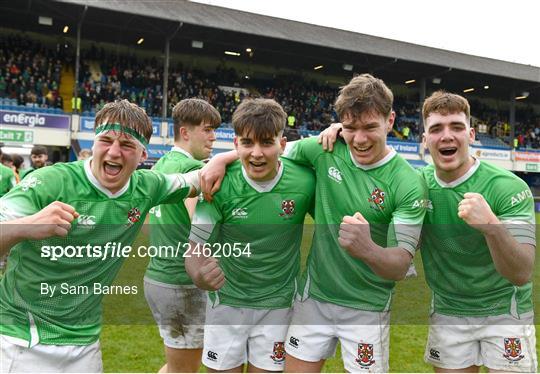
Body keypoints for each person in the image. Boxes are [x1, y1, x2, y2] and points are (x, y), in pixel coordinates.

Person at [200, 74, 427, 372]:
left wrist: (367, 248)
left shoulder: (408, 182)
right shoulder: (323, 148)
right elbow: (266, 149)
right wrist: (222, 158)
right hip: (313, 299)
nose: (359, 139)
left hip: (367, 309)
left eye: (370, 127)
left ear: (390, 120)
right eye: (350, 127)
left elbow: (399, 266)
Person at [0, 99, 201, 373]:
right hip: (23, 339)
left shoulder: (146, 186)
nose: (114, 152)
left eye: (127, 145)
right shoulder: (51, 181)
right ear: (93, 142)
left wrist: (239, 156)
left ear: (143, 155)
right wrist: (26, 226)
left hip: (86, 345)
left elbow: (196, 181)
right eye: (106, 140)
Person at [185, 98, 315, 372]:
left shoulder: (304, 181)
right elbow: (195, 246)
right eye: (247, 143)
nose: (257, 153)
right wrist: (199, 274)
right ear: (236, 144)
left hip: (277, 305)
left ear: (282, 145)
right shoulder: (219, 183)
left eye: (267, 142)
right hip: (226, 303)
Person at [419, 91, 537, 372]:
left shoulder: (507, 187)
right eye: (436, 129)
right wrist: (339, 132)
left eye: (456, 127)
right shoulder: (416, 186)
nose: (447, 136)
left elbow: (521, 272)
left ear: (471, 135)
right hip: (448, 313)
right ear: (424, 140)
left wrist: (492, 228)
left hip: (504, 313)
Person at [144, 98, 221, 373]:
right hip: (181, 284)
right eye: (208, 130)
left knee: (178, 367)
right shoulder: (192, 171)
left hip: (160, 278)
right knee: (184, 370)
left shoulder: (163, 163)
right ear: (185, 132)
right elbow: (201, 226)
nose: (213, 137)